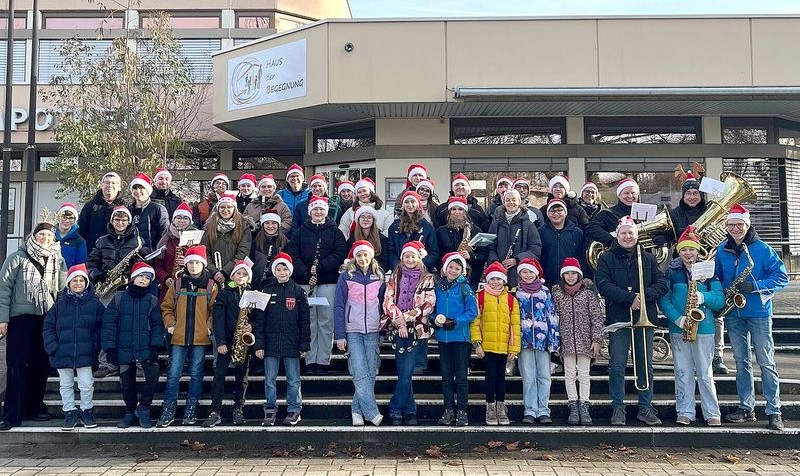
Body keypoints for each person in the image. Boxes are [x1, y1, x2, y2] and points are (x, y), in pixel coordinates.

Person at [714, 204, 789, 430]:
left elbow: (781, 277)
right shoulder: (721, 249)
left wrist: (756, 285)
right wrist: (720, 295)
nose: (735, 229)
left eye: (740, 224)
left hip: (758, 312)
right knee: (740, 361)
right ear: (726, 227)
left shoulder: (763, 249)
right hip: (734, 313)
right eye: (731, 225)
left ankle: (774, 411)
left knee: (766, 361)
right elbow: (717, 277)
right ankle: (746, 407)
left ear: (747, 225)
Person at [595, 216, 667, 426]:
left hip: (644, 318)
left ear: (637, 235)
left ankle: (645, 407)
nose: (628, 236)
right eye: (624, 233)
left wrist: (643, 298)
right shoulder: (606, 258)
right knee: (617, 365)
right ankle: (618, 407)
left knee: (645, 365)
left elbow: (661, 283)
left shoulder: (648, 258)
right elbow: (602, 284)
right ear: (617, 236)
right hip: (619, 318)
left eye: (631, 233)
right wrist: (629, 299)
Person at [654, 172, 728, 375]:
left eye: (696, 193)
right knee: (684, 302)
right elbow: (668, 233)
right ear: (683, 195)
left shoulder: (713, 210)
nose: (693, 196)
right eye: (689, 193)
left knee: (714, 313)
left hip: (707, 263)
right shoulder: (675, 213)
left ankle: (717, 355)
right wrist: (661, 237)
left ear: (700, 195)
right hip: (683, 265)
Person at [0, 222, 67, 431]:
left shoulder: (58, 258)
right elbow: (4, 289)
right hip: (21, 318)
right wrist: (3, 319)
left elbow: (62, 288)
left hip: (46, 317)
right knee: (17, 365)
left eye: (49, 234)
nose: (45, 238)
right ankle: (11, 413)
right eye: (41, 234)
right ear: (34, 235)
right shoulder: (17, 257)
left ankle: (34, 406)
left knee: (42, 365)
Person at [659, 226, 724, 427]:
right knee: (682, 371)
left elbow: (720, 300)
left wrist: (703, 296)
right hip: (679, 327)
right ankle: (685, 411)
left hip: (704, 328)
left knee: (705, 372)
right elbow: (664, 299)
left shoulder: (709, 269)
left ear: (698, 250)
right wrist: (677, 318)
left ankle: (712, 412)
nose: (688, 254)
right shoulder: (671, 271)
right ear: (679, 251)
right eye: (684, 250)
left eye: (692, 249)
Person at [158, 245, 217, 427]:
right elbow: (167, 307)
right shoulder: (177, 284)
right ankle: (168, 409)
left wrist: (209, 327)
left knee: (196, 374)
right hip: (179, 336)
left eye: (197, 263)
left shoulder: (210, 286)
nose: (193, 266)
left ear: (203, 264)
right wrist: (170, 324)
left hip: (199, 337)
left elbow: (214, 310)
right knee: (174, 373)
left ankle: (191, 410)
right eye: (190, 263)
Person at [286, 196, 347, 375]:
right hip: (306, 283)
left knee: (326, 322)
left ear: (326, 211)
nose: (318, 212)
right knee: (309, 321)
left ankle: (323, 360)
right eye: (315, 209)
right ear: (310, 211)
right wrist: (306, 273)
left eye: (321, 209)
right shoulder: (300, 232)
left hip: (328, 281)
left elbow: (339, 253)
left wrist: (319, 268)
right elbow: (293, 253)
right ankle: (310, 358)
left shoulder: (335, 232)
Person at [87, 205, 148, 378]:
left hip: (129, 288)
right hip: (107, 290)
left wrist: (131, 274)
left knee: (132, 326)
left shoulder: (138, 241)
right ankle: (107, 363)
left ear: (129, 221)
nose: (120, 223)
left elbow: (145, 263)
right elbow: (91, 263)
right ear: (112, 221)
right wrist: (98, 275)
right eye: (116, 219)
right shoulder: (101, 241)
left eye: (123, 220)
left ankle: (136, 362)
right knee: (108, 327)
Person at [42, 263, 105, 431]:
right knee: (65, 384)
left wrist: (95, 345)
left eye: (81, 280)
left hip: (86, 352)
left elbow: (102, 327)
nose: (78, 283)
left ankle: (87, 410)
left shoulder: (95, 304)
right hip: (62, 352)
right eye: (74, 280)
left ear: (86, 283)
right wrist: (52, 346)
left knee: (86, 384)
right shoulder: (59, 306)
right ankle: (69, 411)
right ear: (68, 283)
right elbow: (48, 326)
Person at [100, 262, 162, 429]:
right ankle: (129, 411)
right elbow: (109, 324)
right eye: (141, 276)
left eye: (148, 278)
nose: (144, 279)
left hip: (145, 348)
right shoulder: (119, 298)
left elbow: (157, 325)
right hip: (124, 348)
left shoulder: (152, 300)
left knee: (152, 376)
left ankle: (144, 408)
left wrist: (155, 346)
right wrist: (110, 348)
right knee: (126, 383)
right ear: (133, 278)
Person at [254, 253, 311, 426]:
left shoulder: (299, 292)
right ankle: (270, 409)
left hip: (292, 344)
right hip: (270, 344)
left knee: (293, 379)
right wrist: (259, 344)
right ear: (274, 271)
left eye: (285, 268)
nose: (281, 272)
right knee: (270, 379)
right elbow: (260, 320)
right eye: (278, 269)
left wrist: (304, 344)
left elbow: (305, 321)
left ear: (290, 270)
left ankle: (294, 409)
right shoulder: (266, 291)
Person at [382, 240, 435, 426]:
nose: (410, 259)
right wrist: (399, 320)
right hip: (398, 328)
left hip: (417, 329)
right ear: (402, 258)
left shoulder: (427, 278)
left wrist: (407, 317)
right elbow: (388, 299)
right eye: (407, 256)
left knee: (407, 371)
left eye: (413, 256)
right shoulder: (395, 276)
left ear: (419, 258)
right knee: (403, 370)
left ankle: (396, 408)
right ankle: (410, 410)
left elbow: (428, 304)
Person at [333, 240, 386, 427]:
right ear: (354, 257)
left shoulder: (379, 277)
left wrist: (383, 331)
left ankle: (356, 410)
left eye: (366, 254)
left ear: (371, 256)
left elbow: (384, 305)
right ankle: (372, 412)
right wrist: (340, 335)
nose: (362, 258)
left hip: (373, 330)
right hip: (352, 330)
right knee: (359, 370)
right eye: (359, 255)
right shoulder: (346, 277)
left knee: (371, 371)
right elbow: (339, 306)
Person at [204, 257, 259, 427]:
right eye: (238, 274)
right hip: (226, 342)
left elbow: (258, 317)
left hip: (243, 343)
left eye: (244, 274)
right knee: (219, 376)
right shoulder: (225, 293)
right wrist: (220, 342)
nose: (241, 276)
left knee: (241, 378)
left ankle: (238, 408)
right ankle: (215, 411)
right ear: (233, 276)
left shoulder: (253, 294)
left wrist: (252, 326)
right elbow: (218, 319)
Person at [551, 257, 603, 426]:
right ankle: (573, 405)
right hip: (565, 341)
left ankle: (584, 405)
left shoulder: (588, 294)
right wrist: (555, 340)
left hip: (584, 340)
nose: (571, 276)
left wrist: (596, 339)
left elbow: (596, 317)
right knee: (569, 374)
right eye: (567, 273)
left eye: (574, 273)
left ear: (579, 275)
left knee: (584, 374)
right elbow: (553, 318)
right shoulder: (557, 294)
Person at [471, 262, 520, 426]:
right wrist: (477, 343)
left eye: (499, 279)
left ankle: (501, 406)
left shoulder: (511, 300)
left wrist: (514, 348)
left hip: (504, 346)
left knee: (501, 379)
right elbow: (475, 322)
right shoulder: (481, 297)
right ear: (488, 280)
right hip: (488, 346)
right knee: (490, 377)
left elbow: (515, 326)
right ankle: (490, 406)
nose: (496, 282)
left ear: (504, 281)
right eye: (493, 279)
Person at [432, 252, 478, 426]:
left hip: (460, 338)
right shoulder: (439, 287)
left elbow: (473, 312)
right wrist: (434, 320)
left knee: (460, 377)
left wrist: (457, 322)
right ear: (445, 268)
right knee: (446, 376)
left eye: (457, 268)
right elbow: (432, 308)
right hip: (443, 338)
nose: (453, 270)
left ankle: (462, 411)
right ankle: (448, 409)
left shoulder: (465, 288)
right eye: (451, 267)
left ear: (462, 271)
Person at [515, 258, 559, 425]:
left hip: (543, 340)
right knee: (528, 376)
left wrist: (554, 340)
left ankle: (543, 409)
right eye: (524, 272)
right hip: (524, 340)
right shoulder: (517, 293)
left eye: (530, 272)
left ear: (536, 273)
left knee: (544, 375)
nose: (527, 275)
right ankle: (530, 409)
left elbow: (552, 316)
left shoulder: (545, 292)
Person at [487, 189, 542, 288]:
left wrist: (517, 260)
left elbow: (535, 249)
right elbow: (490, 247)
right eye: (507, 200)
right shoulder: (496, 224)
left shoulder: (528, 225)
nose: (511, 202)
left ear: (519, 202)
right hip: (499, 275)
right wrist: (495, 262)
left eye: (514, 199)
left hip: (521, 275)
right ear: (503, 203)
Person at [200, 191, 252, 285]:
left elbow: (243, 252)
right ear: (218, 208)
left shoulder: (243, 226)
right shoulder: (210, 226)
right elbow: (204, 250)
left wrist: (225, 272)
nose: (225, 210)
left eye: (229, 207)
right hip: (213, 275)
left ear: (234, 208)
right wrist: (214, 272)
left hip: (235, 275)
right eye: (222, 207)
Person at [435, 196, 487, 288]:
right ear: (449, 212)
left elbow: (483, 255)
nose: (457, 212)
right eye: (453, 209)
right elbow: (437, 253)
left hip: (470, 278)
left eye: (460, 209)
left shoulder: (476, 231)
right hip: (446, 276)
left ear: (465, 212)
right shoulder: (441, 231)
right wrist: (442, 267)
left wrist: (471, 256)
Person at [538, 198, 588, 284]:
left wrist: (585, 276)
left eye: (559, 210)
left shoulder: (577, 232)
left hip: (570, 280)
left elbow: (582, 257)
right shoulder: (540, 232)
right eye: (552, 211)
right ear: (547, 214)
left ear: (565, 213)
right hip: (547, 280)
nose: (556, 214)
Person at [154, 202, 197, 301]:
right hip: (169, 287)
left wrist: (189, 262)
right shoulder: (165, 239)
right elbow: (158, 266)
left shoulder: (197, 239)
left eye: (185, 218)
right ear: (173, 220)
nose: (182, 221)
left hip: (191, 286)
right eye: (178, 218)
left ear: (190, 221)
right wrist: (165, 278)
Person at [387, 191, 440, 271]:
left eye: (413, 201)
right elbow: (391, 251)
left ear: (418, 204)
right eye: (407, 202)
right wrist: (398, 266)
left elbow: (434, 253)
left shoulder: (427, 227)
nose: (410, 205)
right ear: (403, 205)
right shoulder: (394, 227)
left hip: (421, 271)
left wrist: (420, 264)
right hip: (400, 271)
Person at [584, 177, 640, 250]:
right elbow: (591, 228)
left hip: (642, 258)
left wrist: (658, 238)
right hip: (617, 257)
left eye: (633, 193)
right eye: (626, 193)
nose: (630, 196)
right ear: (619, 195)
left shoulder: (646, 213)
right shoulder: (607, 214)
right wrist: (611, 240)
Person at [78, 171, 125, 254]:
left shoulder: (125, 207)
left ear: (119, 187)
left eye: (113, 183)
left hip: (117, 255)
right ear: (101, 185)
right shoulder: (90, 206)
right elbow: (81, 232)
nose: (110, 185)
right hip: (94, 254)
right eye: (107, 182)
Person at [129, 172, 170, 251]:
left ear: (148, 190)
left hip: (152, 255)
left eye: (141, 188)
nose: (138, 191)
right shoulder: (128, 210)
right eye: (135, 188)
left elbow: (164, 235)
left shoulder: (159, 209)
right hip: (131, 255)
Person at [251, 209, 289, 287]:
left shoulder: (285, 242)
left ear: (278, 225)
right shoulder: (255, 242)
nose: (270, 226)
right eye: (267, 223)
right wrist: (255, 280)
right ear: (262, 225)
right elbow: (250, 263)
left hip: (278, 284)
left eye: (274, 223)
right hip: (257, 284)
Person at [346, 206, 389, 271]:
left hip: (375, 274)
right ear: (358, 220)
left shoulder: (382, 239)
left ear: (373, 220)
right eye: (362, 217)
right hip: (356, 274)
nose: (365, 219)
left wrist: (374, 270)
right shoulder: (352, 239)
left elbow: (385, 262)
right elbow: (349, 258)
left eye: (369, 217)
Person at [54, 202, 87, 269]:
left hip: (69, 277)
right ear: (58, 218)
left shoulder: (79, 241)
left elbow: (80, 266)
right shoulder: (49, 237)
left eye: (71, 218)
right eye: (64, 217)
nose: (67, 221)